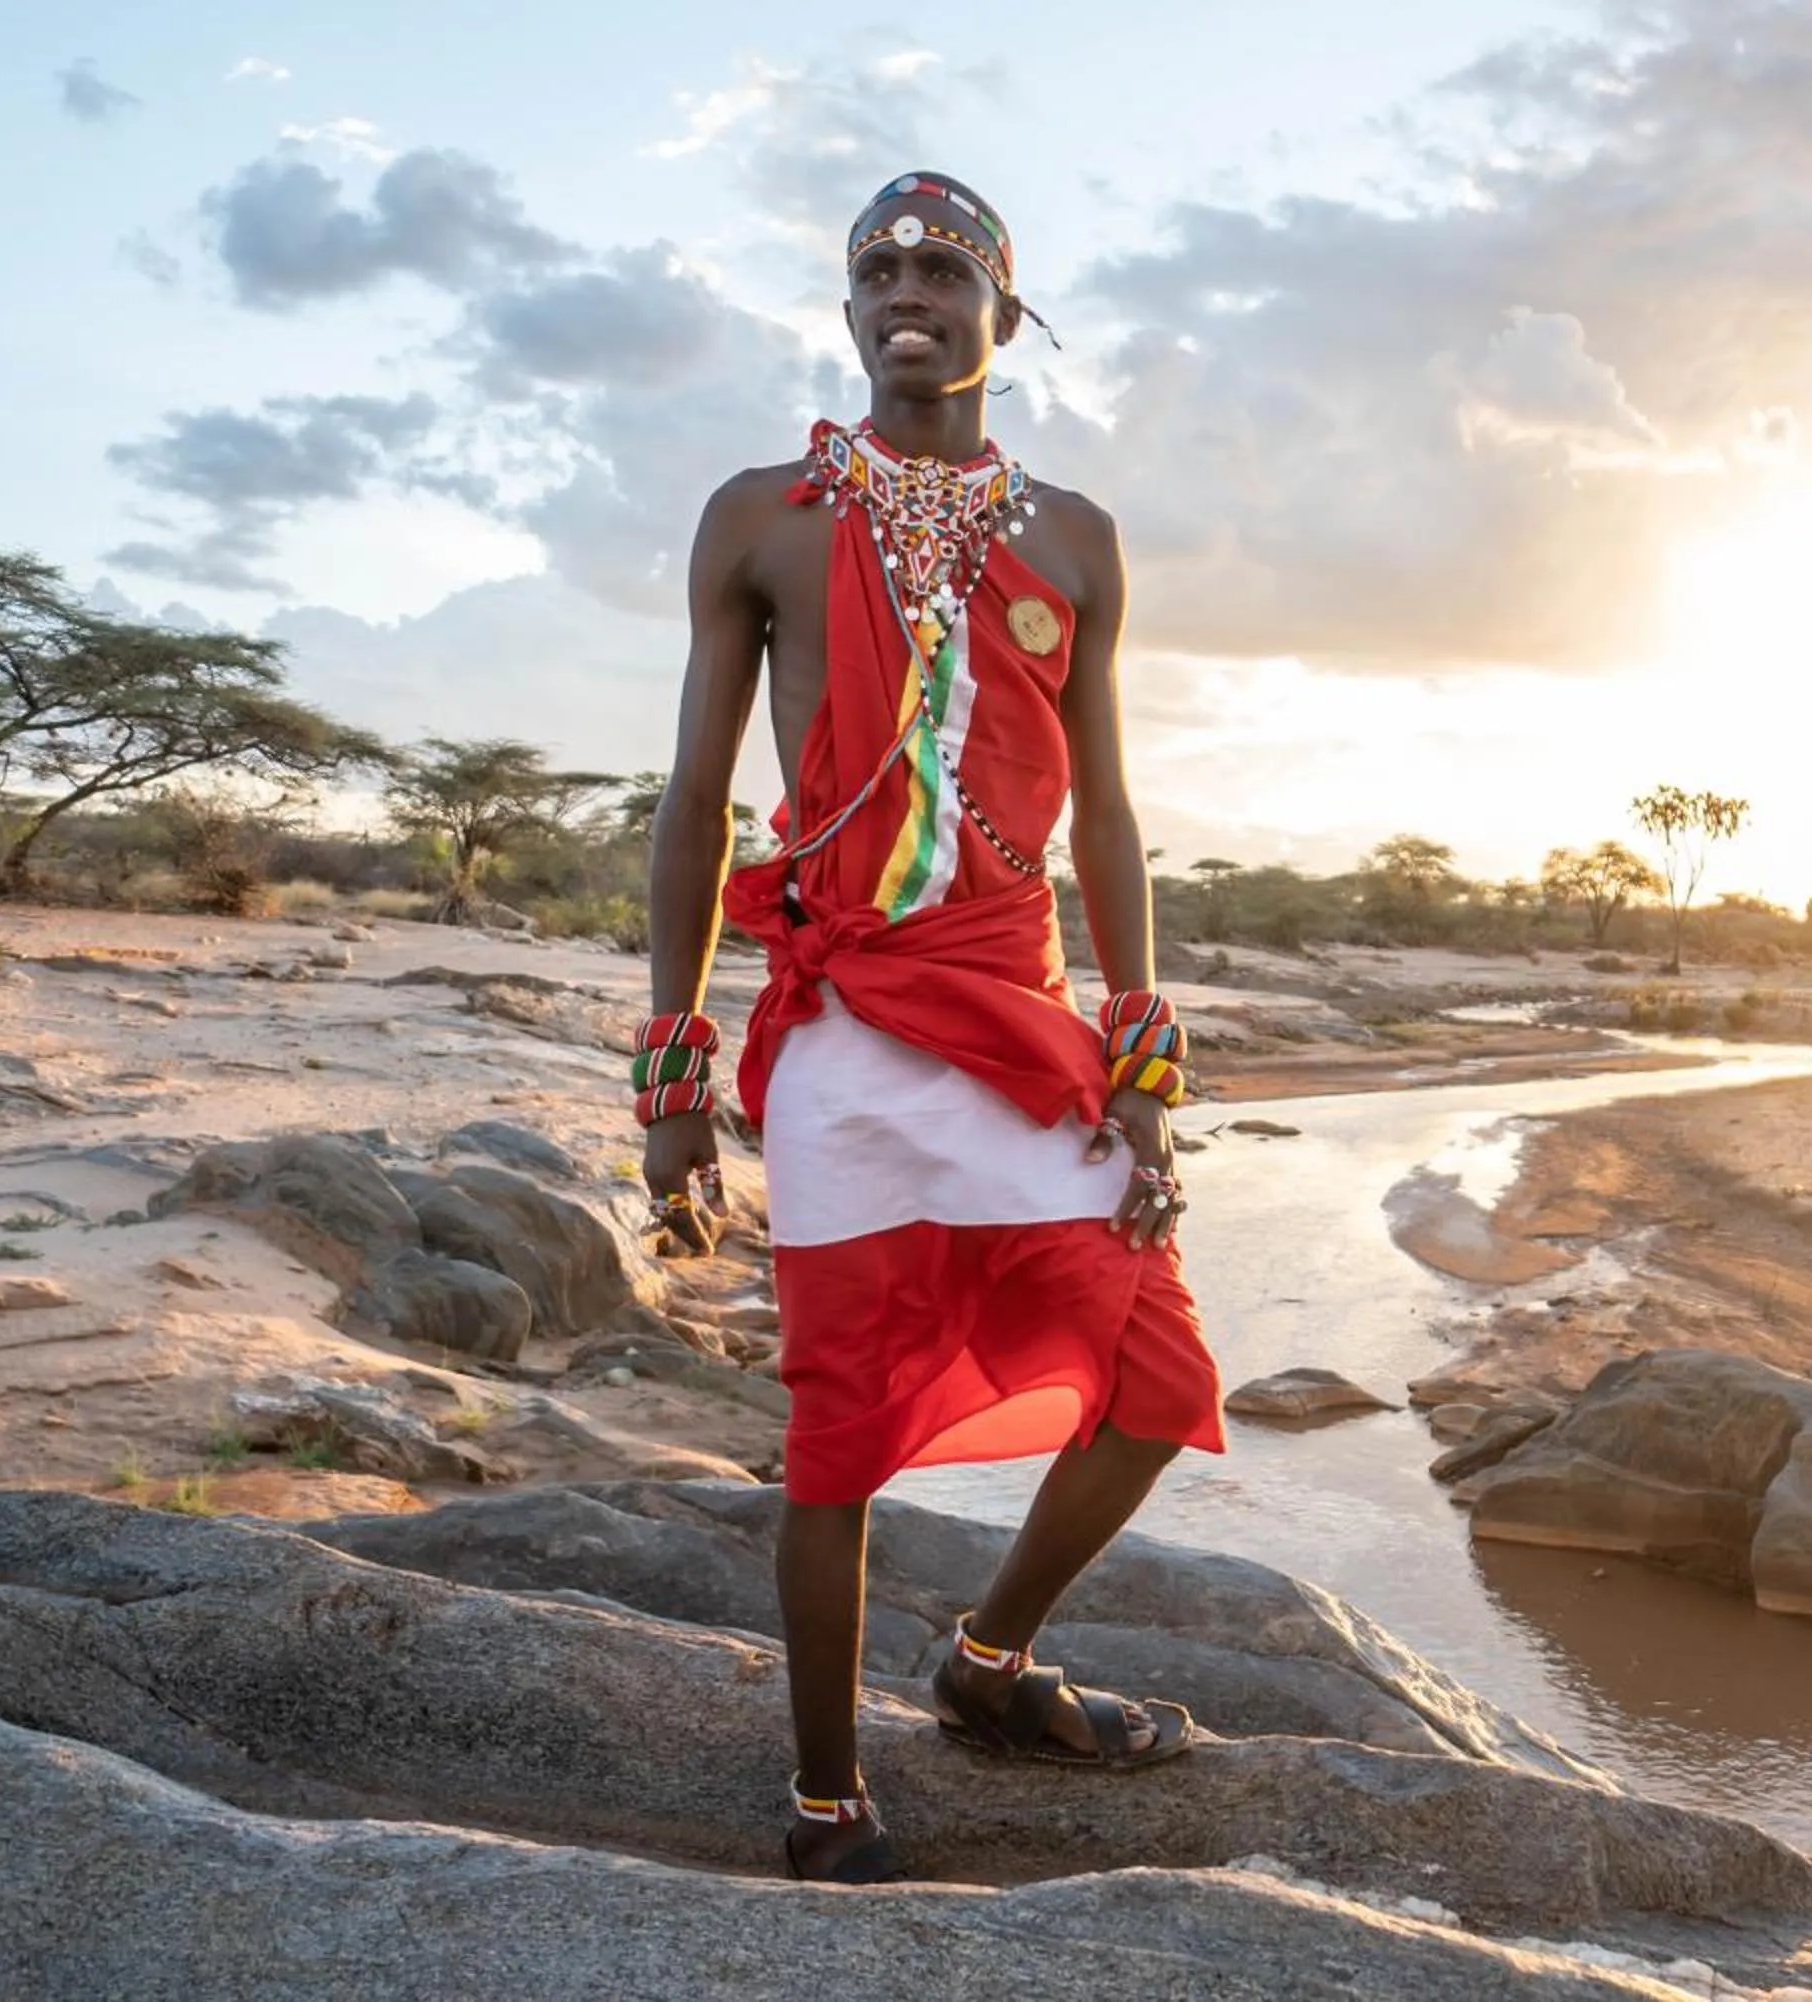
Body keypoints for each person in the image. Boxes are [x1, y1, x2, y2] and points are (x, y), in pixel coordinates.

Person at [639, 170, 1226, 1884]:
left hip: (1021, 1018)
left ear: (1004, 316)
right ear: (846, 317)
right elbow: (692, 803)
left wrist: (1143, 1056)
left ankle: (985, 1662)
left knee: (1158, 1372)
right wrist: (673, 1069)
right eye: (878, 268)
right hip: (839, 1039)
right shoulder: (760, 516)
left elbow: (1108, 818)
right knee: (836, 1429)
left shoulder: (1078, 538)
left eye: (946, 267)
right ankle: (827, 1799)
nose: (910, 289)